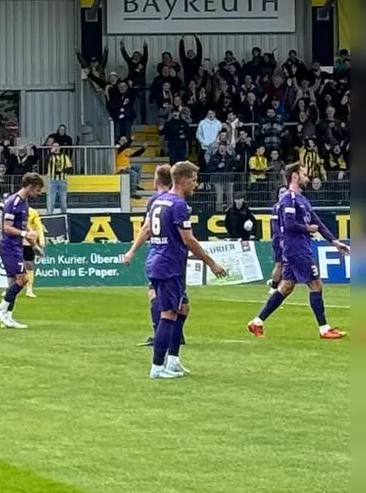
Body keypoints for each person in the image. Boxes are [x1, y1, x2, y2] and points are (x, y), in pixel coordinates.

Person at [126, 162, 226, 379]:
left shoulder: (158, 200)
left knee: (183, 308)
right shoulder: (178, 205)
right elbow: (188, 239)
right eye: (193, 180)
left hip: (158, 261)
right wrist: (212, 263)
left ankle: (172, 360)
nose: (196, 185)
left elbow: (148, 229)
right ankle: (157, 367)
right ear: (182, 180)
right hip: (169, 264)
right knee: (169, 313)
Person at [247, 163, 349, 340]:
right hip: (297, 250)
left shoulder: (302, 199)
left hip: (297, 249)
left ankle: (257, 322)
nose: (307, 176)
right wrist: (307, 228)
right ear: (294, 176)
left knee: (286, 287)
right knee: (316, 284)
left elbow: (318, 223)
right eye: (303, 173)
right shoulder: (289, 199)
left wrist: (334, 241)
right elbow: (290, 225)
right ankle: (324, 329)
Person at [124, 166, 175, 347]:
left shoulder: (156, 200)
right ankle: (176, 335)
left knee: (154, 291)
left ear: (157, 180)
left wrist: (131, 251)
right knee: (179, 295)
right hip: (176, 254)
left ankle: (159, 334)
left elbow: (146, 228)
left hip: (160, 252)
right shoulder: (177, 199)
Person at [0, 174, 43, 329]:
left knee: (13, 283)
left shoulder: (24, 203)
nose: (39, 193)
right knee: (23, 279)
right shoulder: (13, 202)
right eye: (38, 190)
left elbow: (23, 225)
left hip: (15, 246)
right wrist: (25, 235)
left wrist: (34, 245)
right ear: (30, 187)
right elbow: (6, 227)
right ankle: (1, 309)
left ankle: (7, 318)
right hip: (9, 246)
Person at [22, 203, 45, 298]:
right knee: (15, 265)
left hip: (28, 241)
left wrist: (42, 241)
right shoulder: (14, 211)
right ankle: (10, 287)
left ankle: (29, 289)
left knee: (29, 264)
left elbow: (39, 227)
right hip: (16, 240)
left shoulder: (33, 212)